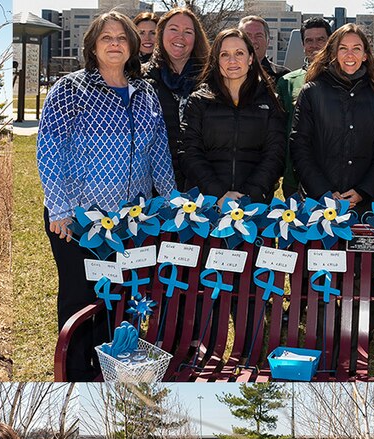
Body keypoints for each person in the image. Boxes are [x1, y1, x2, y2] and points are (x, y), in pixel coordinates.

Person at [37, 11, 174, 380]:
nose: (114, 44)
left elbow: (157, 150)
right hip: (78, 220)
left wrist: (174, 201)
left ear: (132, 46)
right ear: (93, 47)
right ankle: (78, 373)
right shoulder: (70, 89)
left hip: (129, 222)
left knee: (119, 296)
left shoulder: (144, 93)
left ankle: (112, 368)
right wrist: (60, 209)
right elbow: (49, 148)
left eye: (121, 38)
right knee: (81, 298)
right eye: (106, 38)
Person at [290, 23, 374, 206]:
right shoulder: (312, 92)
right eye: (343, 49)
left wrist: (363, 191)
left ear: (365, 55)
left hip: (362, 205)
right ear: (333, 53)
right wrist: (324, 192)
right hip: (318, 203)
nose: (350, 55)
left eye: (356, 49)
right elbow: (300, 147)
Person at [180, 28, 286, 203]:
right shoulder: (199, 101)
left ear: (250, 58)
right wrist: (219, 195)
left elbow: (275, 154)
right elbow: (189, 152)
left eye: (239, 53)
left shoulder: (270, 101)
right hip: (207, 206)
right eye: (224, 55)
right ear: (216, 60)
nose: (232, 61)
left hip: (254, 205)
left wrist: (248, 197)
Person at [143, 7, 210, 191]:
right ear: (161, 32)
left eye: (188, 32)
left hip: (202, 185)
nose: (180, 36)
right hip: (153, 188)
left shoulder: (211, 80)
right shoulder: (141, 80)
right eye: (173, 29)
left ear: (196, 38)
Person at [277, 17, 332, 197]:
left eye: (320, 39)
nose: (314, 45)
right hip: (295, 179)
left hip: (333, 177)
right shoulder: (287, 82)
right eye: (309, 40)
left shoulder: (345, 81)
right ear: (302, 44)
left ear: (330, 42)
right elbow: (279, 132)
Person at [239, 15, 286, 80]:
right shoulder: (225, 74)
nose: (253, 41)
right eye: (248, 36)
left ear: (268, 42)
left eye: (258, 36)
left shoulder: (284, 77)